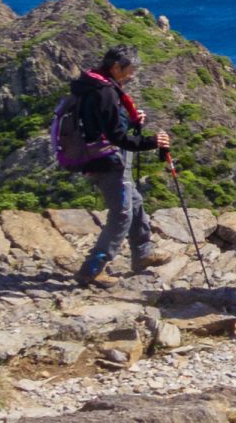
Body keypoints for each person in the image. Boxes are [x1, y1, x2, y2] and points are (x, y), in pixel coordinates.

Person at [72, 46, 173, 288]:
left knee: (134, 203)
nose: (132, 75)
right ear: (116, 68)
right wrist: (151, 141)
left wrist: (130, 118)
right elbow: (117, 137)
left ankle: (142, 253)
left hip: (97, 156)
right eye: (129, 70)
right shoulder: (105, 92)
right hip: (109, 161)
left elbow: (105, 123)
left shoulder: (92, 84)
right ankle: (92, 268)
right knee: (122, 213)